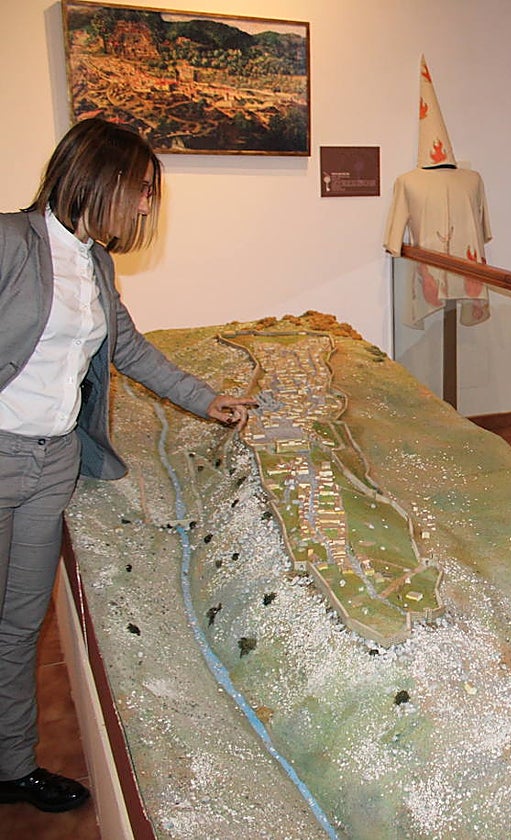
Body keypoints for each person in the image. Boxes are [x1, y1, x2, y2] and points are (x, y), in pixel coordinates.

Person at [0, 119, 256, 812]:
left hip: (52, 463)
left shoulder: (95, 262)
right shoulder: (11, 242)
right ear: (101, 179)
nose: (146, 205)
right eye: (142, 189)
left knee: (20, 626)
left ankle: (12, 764)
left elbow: (129, 348)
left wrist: (206, 399)